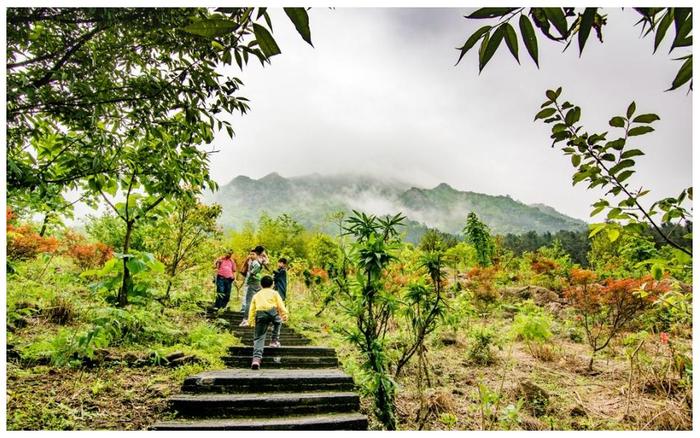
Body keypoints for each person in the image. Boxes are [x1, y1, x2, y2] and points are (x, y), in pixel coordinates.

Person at [248, 275, 288, 370]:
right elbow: (280, 304)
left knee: (259, 337)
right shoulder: (274, 293)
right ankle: (274, 340)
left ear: (261, 285)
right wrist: (285, 314)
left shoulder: (256, 295)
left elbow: (252, 309)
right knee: (278, 321)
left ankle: (256, 360)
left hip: (260, 313)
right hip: (272, 311)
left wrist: (251, 320)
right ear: (272, 284)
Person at [239, 245, 268, 326]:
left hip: (253, 283)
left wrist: (252, 274)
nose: (251, 256)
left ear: (256, 253)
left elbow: (255, 270)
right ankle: (256, 319)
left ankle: (245, 320)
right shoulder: (262, 260)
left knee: (249, 301)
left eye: (253, 254)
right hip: (258, 282)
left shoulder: (255, 261)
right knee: (257, 301)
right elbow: (267, 265)